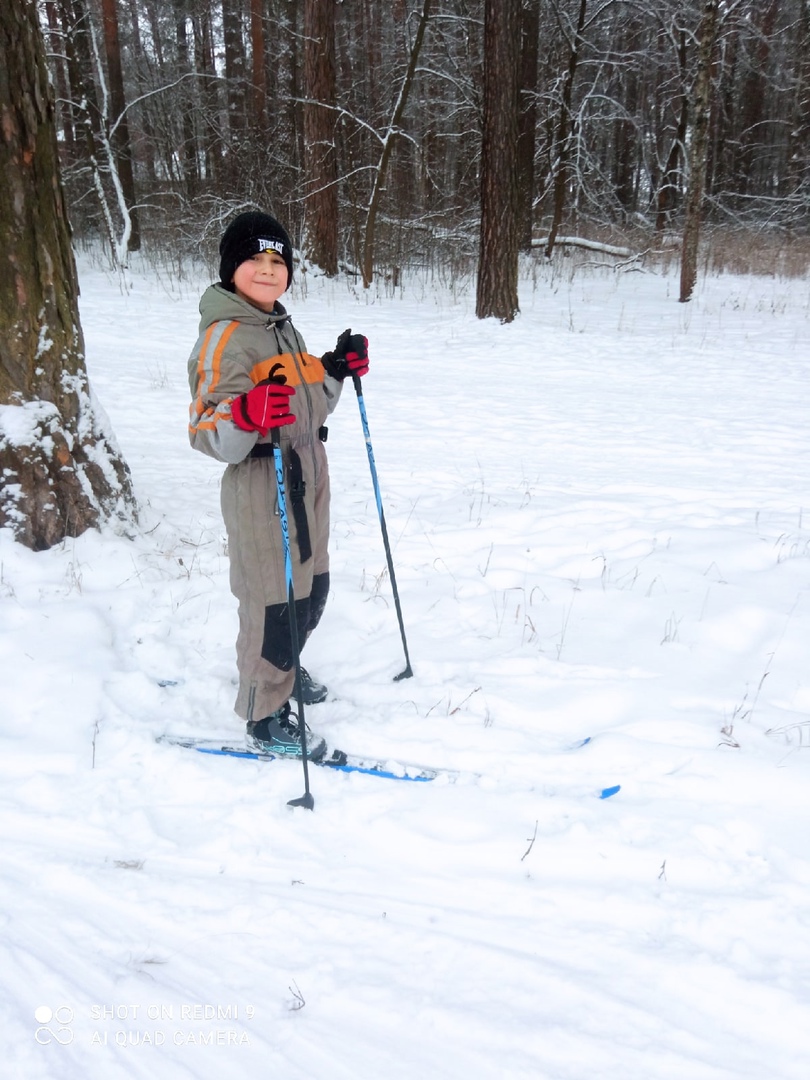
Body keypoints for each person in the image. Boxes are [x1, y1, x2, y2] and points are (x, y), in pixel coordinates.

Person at [187, 211, 369, 759]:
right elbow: (204, 429)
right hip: (262, 482)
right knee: (274, 605)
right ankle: (263, 715)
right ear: (230, 267)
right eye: (254, 260)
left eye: (278, 261)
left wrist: (336, 368)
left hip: (307, 469)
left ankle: (286, 667)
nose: (267, 270)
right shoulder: (225, 339)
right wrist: (243, 413)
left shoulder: (281, 327)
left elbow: (309, 402)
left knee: (312, 590)